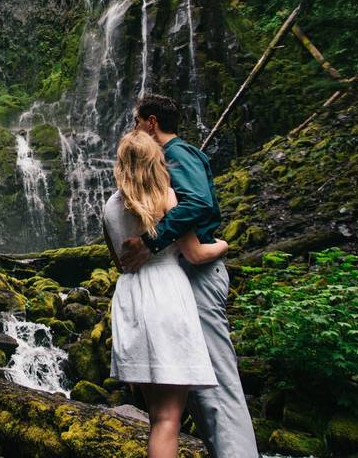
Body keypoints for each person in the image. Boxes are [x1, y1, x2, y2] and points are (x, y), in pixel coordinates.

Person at [119, 93, 259, 458]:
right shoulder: (164, 169)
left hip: (197, 272)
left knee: (216, 378)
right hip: (182, 274)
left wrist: (151, 241)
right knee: (195, 381)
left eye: (137, 123)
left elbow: (199, 203)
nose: (135, 131)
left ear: (151, 123)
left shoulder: (177, 154)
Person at [103, 130, 228, 458]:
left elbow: (121, 263)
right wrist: (224, 245)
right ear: (155, 159)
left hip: (130, 302)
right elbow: (196, 254)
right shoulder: (167, 197)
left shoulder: (110, 207)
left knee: (157, 417)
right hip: (166, 298)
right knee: (169, 420)